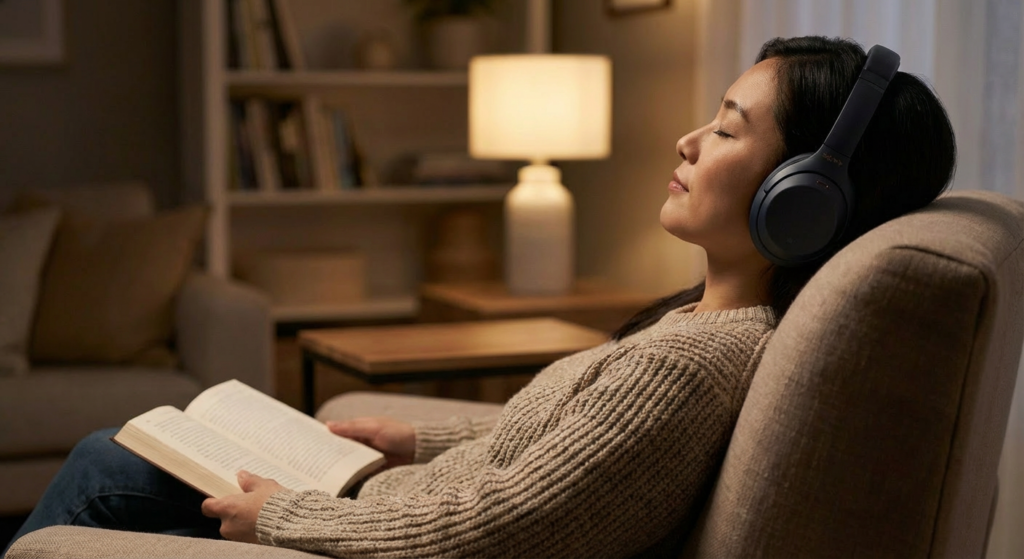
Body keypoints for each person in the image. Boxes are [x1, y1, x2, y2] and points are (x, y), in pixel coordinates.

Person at [5, 36, 956, 558]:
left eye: (727, 129)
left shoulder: (687, 363)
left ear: (804, 195)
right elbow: (576, 458)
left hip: (381, 537)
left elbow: (509, 526)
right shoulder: (698, 323)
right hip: (392, 501)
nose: (686, 141)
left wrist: (286, 516)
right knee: (136, 448)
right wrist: (417, 440)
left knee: (106, 458)